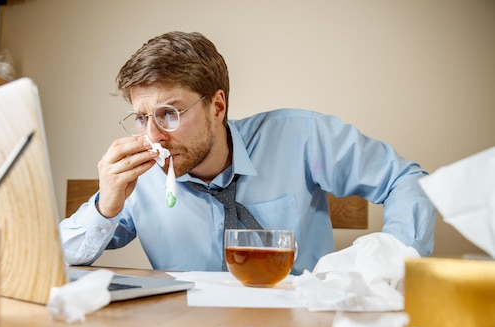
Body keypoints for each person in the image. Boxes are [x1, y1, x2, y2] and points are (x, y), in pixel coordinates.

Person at [59, 31, 435, 275]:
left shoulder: (302, 138)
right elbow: (60, 259)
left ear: (217, 106)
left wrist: (392, 258)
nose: (154, 136)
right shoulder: (138, 182)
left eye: (169, 114)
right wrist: (104, 208)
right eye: (141, 118)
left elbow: (406, 180)